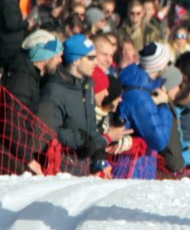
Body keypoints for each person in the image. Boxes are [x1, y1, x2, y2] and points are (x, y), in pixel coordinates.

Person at [38, 34, 129, 175]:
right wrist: (81, 140)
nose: (96, 62)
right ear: (76, 60)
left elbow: (91, 130)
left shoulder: (87, 87)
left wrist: (99, 160)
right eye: (91, 58)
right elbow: (50, 130)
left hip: (83, 167)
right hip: (61, 169)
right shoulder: (54, 89)